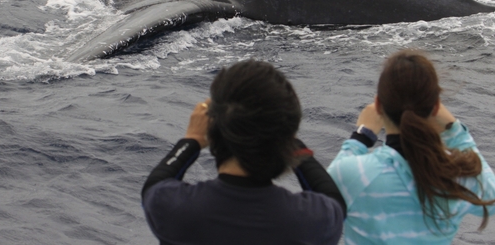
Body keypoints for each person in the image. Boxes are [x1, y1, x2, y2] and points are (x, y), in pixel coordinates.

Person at [141, 60, 345, 245]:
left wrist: (191, 140)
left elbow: (154, 185)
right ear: (287, 136)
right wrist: (288, 138)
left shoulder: (174, 210)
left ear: (212, 128)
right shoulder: (313, 221)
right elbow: (335, 202)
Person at [327, 50, 495, 244]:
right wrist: (455, 131)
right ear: (436, 107)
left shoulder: (357, 174)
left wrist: (361, 137)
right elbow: (494, 199)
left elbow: (322, 194)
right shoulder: (455, 174)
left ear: (378, 105)